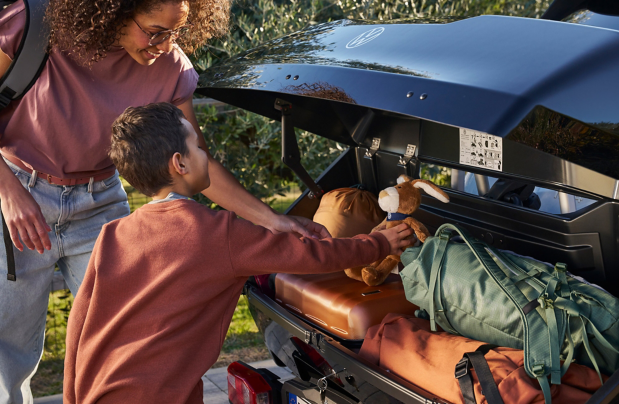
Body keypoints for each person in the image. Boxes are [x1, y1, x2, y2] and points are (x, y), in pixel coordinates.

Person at [0, 0, 330, 402]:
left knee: (135, 337)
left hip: (100, 202)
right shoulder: (37, 22)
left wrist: (272, 220)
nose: (165, 44)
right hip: (15, 193)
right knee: (4, 354)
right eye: (155, 31)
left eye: (177, 32)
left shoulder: (170, 67)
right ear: (113, 7)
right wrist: (8, 189)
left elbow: (197, 163)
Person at [62, 103, 412, 403]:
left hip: (99, 391)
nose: (206, 156)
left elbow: (79, 327)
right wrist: (381, 244)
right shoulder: (216, 233)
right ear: (180, 164)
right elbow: (312, 257)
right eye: (199, 148)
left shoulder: (113, 234)